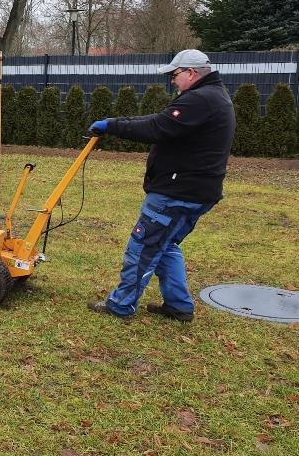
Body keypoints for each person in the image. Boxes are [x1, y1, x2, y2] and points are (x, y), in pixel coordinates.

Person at [86, 49, 235, 322]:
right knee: (165, 246)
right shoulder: (213, 97)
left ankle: (121, 305)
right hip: (197, 192)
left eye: (175, 75)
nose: (172, 81)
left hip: (177, 194)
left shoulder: (200, 99)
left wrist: (112, 125)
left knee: (142, 247)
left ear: (191, 73)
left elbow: (157, 127)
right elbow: (162, 123)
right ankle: (179, 306)